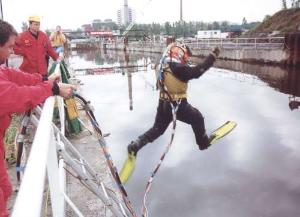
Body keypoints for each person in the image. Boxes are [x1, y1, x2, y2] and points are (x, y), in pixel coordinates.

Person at [0, 20, 75, 217]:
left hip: (38, 72)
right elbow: (16, 96)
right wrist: (52, 88)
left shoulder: (42, 37)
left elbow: (12, 76)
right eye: (8, 47)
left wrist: (43, 80)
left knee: (5, 188)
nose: (11, 52)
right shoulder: (23, 38)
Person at [127, 42, 220, 156]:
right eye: (186, 56)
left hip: (163, 103)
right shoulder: (178, 68)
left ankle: (137, 144)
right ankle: (203, 143)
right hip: (178, 105)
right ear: (180, 54)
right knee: (198, 118)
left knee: (158, 129)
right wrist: (212, 58)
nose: (186, 59)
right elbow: (197, 72)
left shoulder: (163, 65)